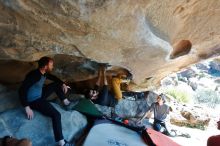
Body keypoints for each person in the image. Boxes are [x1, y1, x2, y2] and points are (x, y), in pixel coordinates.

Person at [19, 57, 74, 146]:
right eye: (51, 65)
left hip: (40, 94)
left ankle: (66, 103)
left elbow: (54, 78)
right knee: (56, 115)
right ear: (45, 66)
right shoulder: (34, 75)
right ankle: (61, 142)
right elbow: (22, 90)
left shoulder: (43, 73)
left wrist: (63, 84)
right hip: (34, 101)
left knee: (56, 84)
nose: (53, 66)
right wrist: (26, 107)